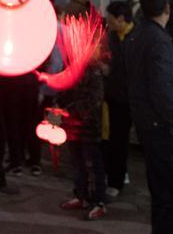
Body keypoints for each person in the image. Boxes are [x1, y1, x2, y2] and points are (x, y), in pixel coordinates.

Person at [124, 0, 173, 234]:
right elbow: (161, 87)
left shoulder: (137, 35)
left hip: (146, 122)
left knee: (162, 191)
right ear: (167, 9)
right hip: (161, 124)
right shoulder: (159, 40)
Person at [57, 44, 107, 221]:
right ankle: (81, 196)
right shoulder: (69, 66)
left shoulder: (93, 70)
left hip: (88, 125)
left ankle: (99, 201)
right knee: (76, 161)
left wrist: (71, 110)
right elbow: (63, 88)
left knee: (93, 164)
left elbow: (94, 100)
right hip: (71, 124)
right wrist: (58, 104)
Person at [103, 0, 134, 198]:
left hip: (135, 97)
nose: (108, 22)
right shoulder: (111, 37)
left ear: (121, 18)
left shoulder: (137, 36)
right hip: (115, 97)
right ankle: (116, 179)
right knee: (116, 139)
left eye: (110, 19)